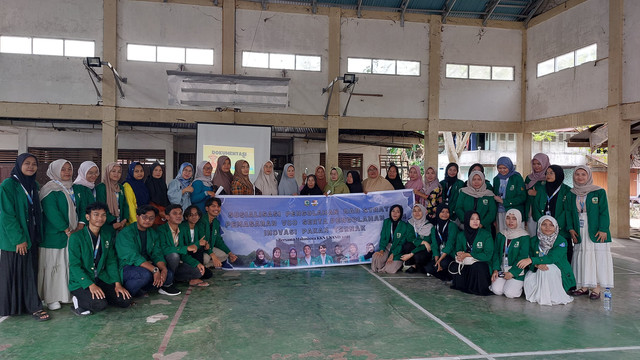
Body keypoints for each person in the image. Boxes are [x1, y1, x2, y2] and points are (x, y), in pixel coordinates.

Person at [0, 153, 50, 321]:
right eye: (27, 163)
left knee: (29, 271)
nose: (30, 166)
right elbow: (7, 215)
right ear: (19, 165)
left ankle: (28, 304)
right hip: (16, 240)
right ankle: (32, 307)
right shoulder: (8, 185)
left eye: (34, 164)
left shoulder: (33, 185)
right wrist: (18, 239)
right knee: (16, 272)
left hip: (32, 236)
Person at [68, 202, 132, 315]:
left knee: (125, 300)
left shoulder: (106, 235)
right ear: (88, 217)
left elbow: (111, 261)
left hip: (101, 278)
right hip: (82, 282)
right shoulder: (76, 237)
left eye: (103, 215)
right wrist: (90, 285)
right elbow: (74, 265)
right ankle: (77, 301)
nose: (100, 218)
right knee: (99, 305)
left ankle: (101, 298)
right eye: (96, 214)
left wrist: (117, 284)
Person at [567, 165, 613, 300]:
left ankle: (596, 288)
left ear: (588, 176)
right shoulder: (571, 193)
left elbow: (604, 211)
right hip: (579, 228)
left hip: (596, 229)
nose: (580, 177)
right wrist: (571, 229)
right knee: (582, 257)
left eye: (583, 174)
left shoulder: (599, 192)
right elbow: (569, 212)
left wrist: (603, 229)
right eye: (577, 174)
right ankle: (583, 286)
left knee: (596, 257)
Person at [39, 159, 78, 310]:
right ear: (55, 171)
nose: (67, 172)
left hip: (69, 235)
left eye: (69, 169)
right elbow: (51, 212)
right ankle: (51, 298)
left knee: (65, 266)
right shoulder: (49, 189)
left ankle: (64, 295)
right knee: (52, 266)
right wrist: (65, 228)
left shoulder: (71, 188)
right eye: (63, 169)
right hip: (54, 236)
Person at [116, 205, 180, 297]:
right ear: (137, 217)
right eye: (144, 217)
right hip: (127, 266)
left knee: (168, 275)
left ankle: (142, 289)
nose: (147, 220)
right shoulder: (126, 233)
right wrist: (154, 270)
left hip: (144, 266)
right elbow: (133, 257)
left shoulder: (152, 233)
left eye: (151, 218)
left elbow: (157, 254)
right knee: (145, 275)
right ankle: (129, 293)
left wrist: (163, 269)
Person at [518, 216, 575, 305]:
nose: (548, 227)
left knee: (547, 269)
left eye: (551, 225)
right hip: (536, 269)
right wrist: (536, 265)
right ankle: (541, 296)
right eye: (544, 224)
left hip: (558, 270)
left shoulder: (561, 241)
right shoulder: (533, 240)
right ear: (539, 226)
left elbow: (552, 258)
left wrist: (532, 260)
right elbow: (528, 257)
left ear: (556, 227)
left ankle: (550, 297)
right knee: (539, 272)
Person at [158, 204, 209, 287]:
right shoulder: (161, 230)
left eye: (180, 213)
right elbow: (163, 249)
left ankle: (173, 277)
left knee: (199, 271)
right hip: (163, 264)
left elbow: (183, 254)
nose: (178, 216)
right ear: (167, 217)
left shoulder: (180, 231)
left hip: (177, 265)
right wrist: (186, 248)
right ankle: (168, 280)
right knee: (174, 256)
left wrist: (197, 263)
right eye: (175, 213)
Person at [449, 211, 494, 296]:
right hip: (467, 261)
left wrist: (469, 254)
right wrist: (459, 254)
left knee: (477, 266)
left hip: (482, 262)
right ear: (466, 220)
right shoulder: (461, 235)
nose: (475, 221)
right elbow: (458, 249)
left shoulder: (486, 235)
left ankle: (478, 288)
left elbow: (488, 255)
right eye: (472, 219)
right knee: (455, 265)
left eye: (477, 219)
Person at [490, 209, 530, 298]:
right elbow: (496, 253)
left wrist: (512, 273)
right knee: (497, 290)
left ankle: (519, 285)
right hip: (502, 269)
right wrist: (496, 269)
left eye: (514, 219)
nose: (510, 221)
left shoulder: (524, 237)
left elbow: (522, 257)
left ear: (519, 220)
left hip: (516, 271)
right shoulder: (501, 234)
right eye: (508, 218)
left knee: (509, 293)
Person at [531, 165, 572, 253]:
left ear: (558, 174)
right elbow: (536, 206)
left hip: (561, 229)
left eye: (551, 173)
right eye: (547, 173)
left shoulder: (567, 190)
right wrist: (543, 223)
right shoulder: (542, 189)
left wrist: (555, 226)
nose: (548, 175)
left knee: (560, 255)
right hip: (544, 229)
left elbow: (567, 211)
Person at [371, 205, 416, 273]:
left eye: (397, 212)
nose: (395, 213)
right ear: (390, 212)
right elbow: (383, 237)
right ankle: (385, 262)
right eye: (393, 211)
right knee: (376, 257)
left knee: (389, 270)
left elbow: (402, 244)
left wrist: (393, 254)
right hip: (387, 248)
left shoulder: (404, 226)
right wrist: (382, 250)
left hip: (397, 250)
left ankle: (395, 264)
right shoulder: (386, 222)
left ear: (400, 214)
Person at [197, 197, 238, 268]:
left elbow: (218, 241)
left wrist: (230, 253)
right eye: (213, 206)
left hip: (210, 248)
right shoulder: (201, 221)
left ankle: (205, 267)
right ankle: (200, 267)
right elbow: (203, 242)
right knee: (206, 259)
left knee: (225, 255)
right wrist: (213, 256)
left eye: (218, 206)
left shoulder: (216, 222)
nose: (216, 209)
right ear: (207, 208)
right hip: (200, 249)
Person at [492, 156, 526, 233]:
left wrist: (505, 201)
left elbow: (522, 197)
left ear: (510, 166)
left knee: (516, 234)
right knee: (503, 234)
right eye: (499, 168)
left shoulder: (516, 177)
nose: (502, 170)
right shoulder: (496, 179)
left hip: (514, 211)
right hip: (500, 212)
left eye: (504, 168)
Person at [426, 203, 459, 281]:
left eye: (447, 212)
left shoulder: (452, 226)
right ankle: (441, 270)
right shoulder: (434, 228)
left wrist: (440, 261)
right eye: (442, 212)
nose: (445, 214)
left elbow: (450, 244)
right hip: (440, 254)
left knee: (443, 263)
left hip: (450, 254)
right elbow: (434, 245)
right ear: (438, 213)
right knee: (428, 267)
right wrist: (437, 261)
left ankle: (445, 271)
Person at [401, 204, 434, 274]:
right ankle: (412, 266)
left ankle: (420, 266)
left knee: (419, 256)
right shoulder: (411, 223)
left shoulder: (429, 226)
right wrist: (423, 242)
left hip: (424, 250)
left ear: (424, 212)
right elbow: (410, 238)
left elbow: (427, 245)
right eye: (414, 211)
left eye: (419, 211)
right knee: (407, 245)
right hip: (419, 245)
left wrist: (411, 254)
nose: (417, 213)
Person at [96, 162, 128, 231]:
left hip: (121, 223)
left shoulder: (120, 187)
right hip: (106, 223)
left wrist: (124, 220)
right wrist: (113, 221)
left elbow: (125, 205)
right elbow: (101, 207)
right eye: (113, 171)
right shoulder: (101, 187)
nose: (116, 174)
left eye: (119, 172)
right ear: (108, 172)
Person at [525, 153, 550, 236]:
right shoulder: (529, 178)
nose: (536, 166)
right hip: (530, 211)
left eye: (539, 164)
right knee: (531, 236)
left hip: (543, 212)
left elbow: (551, 195)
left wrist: (537, 194)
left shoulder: (549, 178)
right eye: (534, 164)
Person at [182, 205, 213, 272]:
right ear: (186, 217)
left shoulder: (197, 227)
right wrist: (198, 243)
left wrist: (206, 244)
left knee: (209, 274)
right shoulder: (182, 227)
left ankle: (199, 270)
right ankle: (197, 272)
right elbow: (185, 245)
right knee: (198, 250)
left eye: (196, 214)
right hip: (184, 253)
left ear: (199, 216)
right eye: (191, 215)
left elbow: (202, 241)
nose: (194, 217)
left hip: (194, 252)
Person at [72, 161, 99, 228]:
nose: (94, 175)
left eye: (96, 172)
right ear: (83, 172)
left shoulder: (92, 187)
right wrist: (82, 222)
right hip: (81, 225)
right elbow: (82, 206)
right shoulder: (78, 187)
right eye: (90, 173)